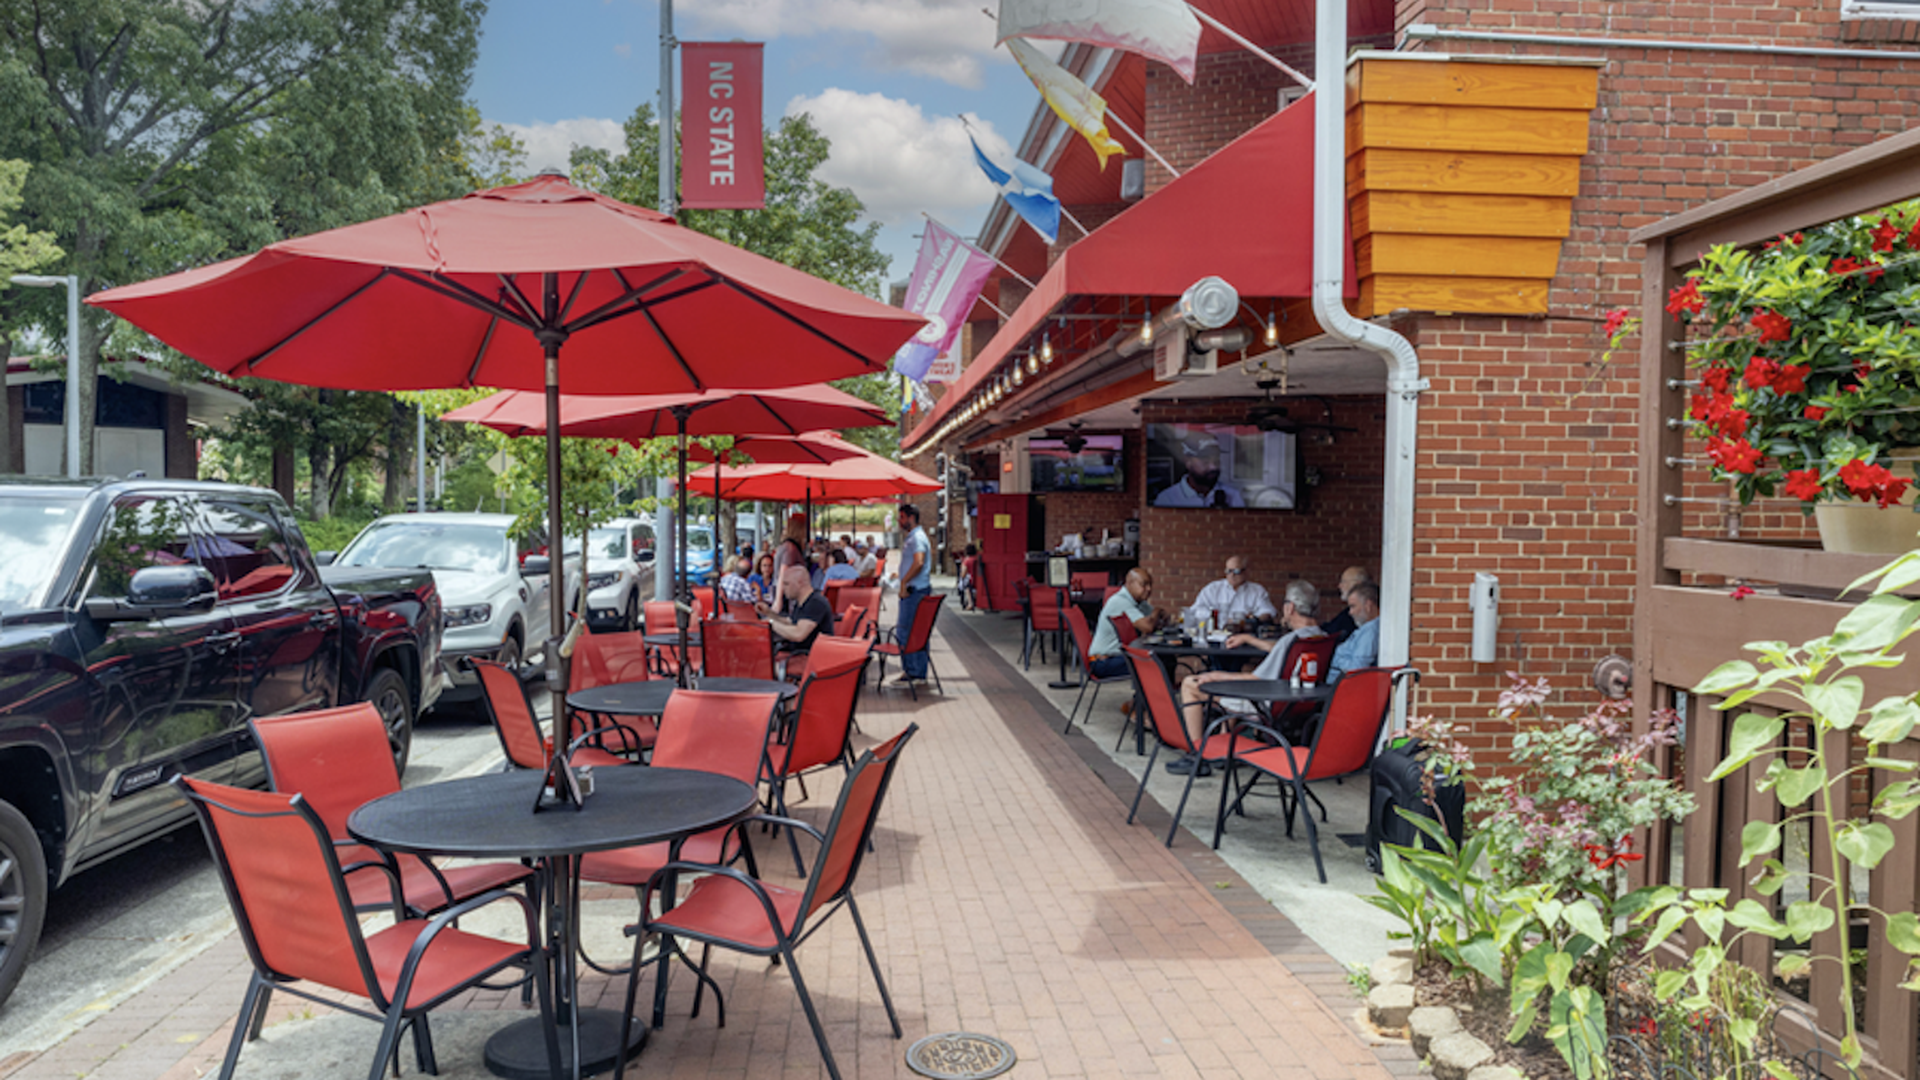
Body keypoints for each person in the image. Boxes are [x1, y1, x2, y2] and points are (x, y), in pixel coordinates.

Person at [1174, 580, 1324, 767]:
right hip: (1298, 704)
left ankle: (1196, 754)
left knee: (1191, 684)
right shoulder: (1318, 637)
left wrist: (1217, 676)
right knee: (1241, 672)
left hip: (1264, 703)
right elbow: (1279, 650)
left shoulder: (1290, 641)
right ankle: (1222, 748)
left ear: (1290, 607)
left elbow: (1255, 679)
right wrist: (1248, 639)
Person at [1085, 568, 1171, 679]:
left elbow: (1157, 621)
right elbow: (1148, 627)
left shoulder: (1139, 602)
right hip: (1103, 662)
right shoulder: (1120, 601)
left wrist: (1161, 617)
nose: (1149, 589)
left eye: (1150, 585)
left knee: (1164, 658)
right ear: (1129, 584)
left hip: (1116, 657)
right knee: (1155, 661)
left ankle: (1154, 695)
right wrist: (1157, 611)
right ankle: (1148, 696)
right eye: (1144, 585)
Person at [893, 504, 933, 683]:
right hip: (917, 590)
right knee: (916, 631)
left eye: (901, 517)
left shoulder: (917, 538)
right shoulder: (916, 537)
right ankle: (916, 671)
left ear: (911, 517)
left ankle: (913, 671)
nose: (899, 521)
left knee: (905, 632)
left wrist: (904, 581)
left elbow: (919, 562)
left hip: (913, 592)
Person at [758, 565, 834, 657]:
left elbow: (798, 634)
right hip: (801, 654)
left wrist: (770, 623)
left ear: (800, 582)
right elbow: (789, 621)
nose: (783, 588)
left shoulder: (816, 603)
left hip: (811, 658)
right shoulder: (802, 602)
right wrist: (768, 613)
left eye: (786, 584)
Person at [1186, 555, 1277, 631]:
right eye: (1228, 571)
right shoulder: (1212, 589)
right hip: (1215, 636)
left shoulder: (1257, 591)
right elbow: (1195, 610)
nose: (1232, 575)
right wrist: (1211, 615)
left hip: (1245, 637)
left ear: (1246, 572)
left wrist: (1250, 619)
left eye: (1236, 571)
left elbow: (1268, 612)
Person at [1153, 433, 1244, 508]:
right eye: (1205, 462)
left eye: (1216, 461)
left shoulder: (1233, 496)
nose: (1213, 467)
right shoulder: (1168, 499)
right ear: (1188, 462)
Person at [1329, 581, 1381, 680]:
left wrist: (1337, 659)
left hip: (1342, 689)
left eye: (1353, 606)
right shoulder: (1367, 628)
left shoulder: (1370, 632)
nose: (1350, 612)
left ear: (1368, 606)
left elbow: (1358, 669)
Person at [1319, 566, 1373, 641]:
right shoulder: (1347, 613)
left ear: (1358, 584)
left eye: (1344, 581)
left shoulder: (1362, 613)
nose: (1339, 586)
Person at [957, 543, 979, 610]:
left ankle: (970, 603)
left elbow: (963, 574)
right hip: (979, 580)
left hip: (971, 580)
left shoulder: (966, 561)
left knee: (965, 585)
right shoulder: (978, 559)